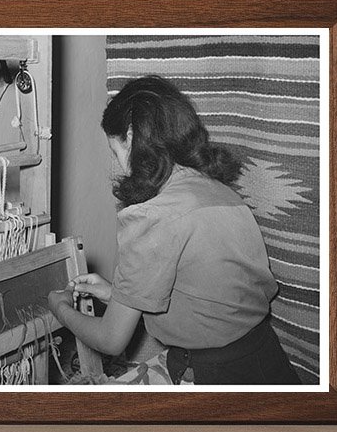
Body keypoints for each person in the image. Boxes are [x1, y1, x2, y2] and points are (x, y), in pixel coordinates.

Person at [47, 74, 300, 386]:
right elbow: (209, 300)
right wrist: (116, 293)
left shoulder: (151, 216)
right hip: (266, 359)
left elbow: (111, 341)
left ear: (131, 136)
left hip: (215, 377)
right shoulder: (221, 193)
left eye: (116, 152)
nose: (118, 166)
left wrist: (59, 309)